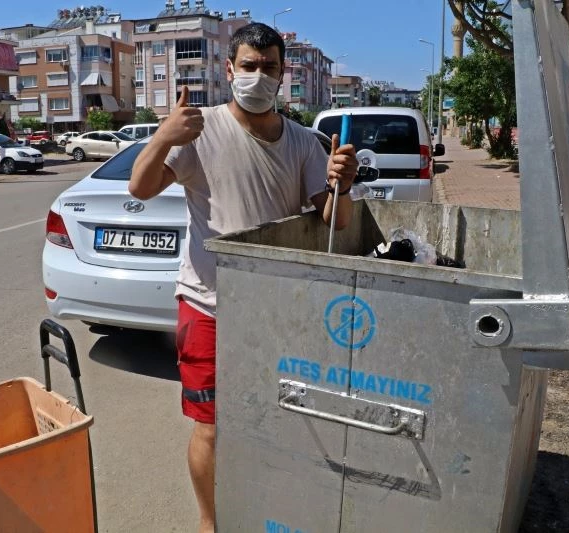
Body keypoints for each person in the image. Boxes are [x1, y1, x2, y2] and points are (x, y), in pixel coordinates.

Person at [129, 22, 357, 533]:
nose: (258, 76)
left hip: (279, 308)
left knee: (279, 419)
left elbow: (335, 219)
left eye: (268, 68)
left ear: (283, 74)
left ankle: (266, 507)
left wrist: (343, 182)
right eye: (248, 66)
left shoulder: (303, 142)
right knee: (210, 427)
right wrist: (163, 135)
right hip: (207, 305)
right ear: (229, 70)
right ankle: (211, 522)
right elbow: (141, 188)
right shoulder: (199, 129)